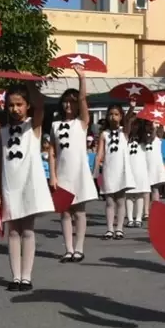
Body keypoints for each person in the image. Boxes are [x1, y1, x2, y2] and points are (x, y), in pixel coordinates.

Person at [0, 82, 54, 291]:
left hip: (28, 183)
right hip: (10, 184)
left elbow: (41, 107)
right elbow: (0, 162)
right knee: (12, 231)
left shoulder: (33, 126)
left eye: (19, 104)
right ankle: (15, 276)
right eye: (11, 105)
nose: (15, 109)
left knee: (27, 230)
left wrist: (30, 86)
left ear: (26, 105)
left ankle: (27, 276)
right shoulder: (2, 132)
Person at [50, 68, 98, 263]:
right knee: (64, 212)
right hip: (62, 173)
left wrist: (82, 78)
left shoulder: (82, 123)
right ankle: (68, 249)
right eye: (66, 101)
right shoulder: (54, 125)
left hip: (78, 172)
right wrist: (52, 175)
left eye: (72, 102)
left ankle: (79, 248)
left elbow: (84, 101)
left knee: (79, 211)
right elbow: (51, 152)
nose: (68, 105)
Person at [94, 103, 134, 239]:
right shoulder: (104, 134)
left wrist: (132, 107)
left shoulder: (124, 132)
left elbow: (128, 120)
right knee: (110, 201)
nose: (113, 117)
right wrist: (95, 169)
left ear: (120, 116)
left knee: (121, 200)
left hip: (122, 169)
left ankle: (119, 228)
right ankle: (110, 228)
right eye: (111, 114)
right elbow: (99, 153)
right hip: (109, 169)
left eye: (116, 114)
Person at [124, 112, 152, 229]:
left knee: (140, 193)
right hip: (129, 167)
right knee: (129, 195)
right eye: (132, 123)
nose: (134, 126)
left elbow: (151, 140)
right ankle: (130, 218)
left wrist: (152, 126)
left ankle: (139, 218)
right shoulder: (125, 137)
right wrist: (129, 121)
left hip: (140, 169)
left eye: (136, 124)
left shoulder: (145, 138)